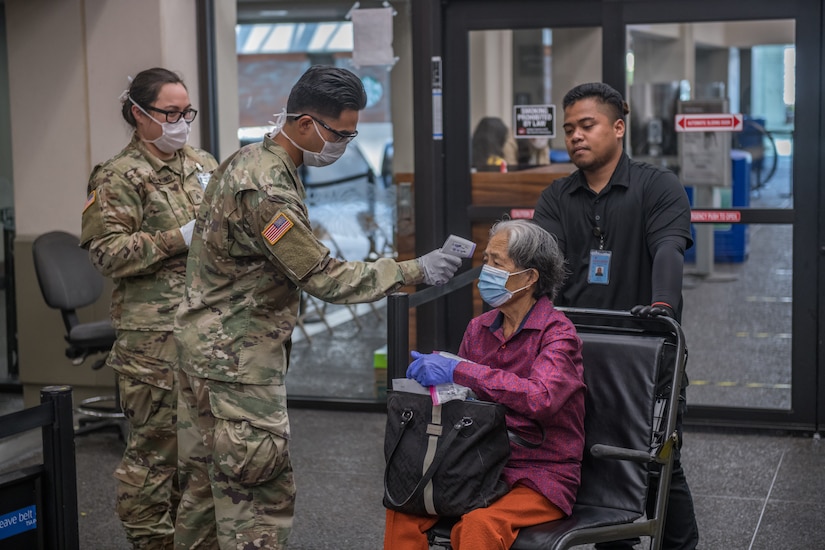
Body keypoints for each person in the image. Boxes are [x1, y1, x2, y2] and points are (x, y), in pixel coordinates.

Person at [172, 65, 462, 549]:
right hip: (237, 364)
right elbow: (322, 277)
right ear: (306, 123)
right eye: (341, 135)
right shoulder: (268, 189)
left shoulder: (248, 160)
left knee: (205, 496)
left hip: (206, 355)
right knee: (256, 501)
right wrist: (414, 270)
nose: (344, 146)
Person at [532, 81, 699, 549]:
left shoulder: (657, 186)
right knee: (593, 461)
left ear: (618, 127)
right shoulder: (556, 197)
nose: (575, 137)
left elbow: (668, 250)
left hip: (645, 354)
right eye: (568, 129)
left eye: (587, 125)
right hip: (573, 353)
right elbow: (540, 265)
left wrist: (663, 304)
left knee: (653, 463)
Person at [80, 67, 218, 549]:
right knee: (154, 462)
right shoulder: (119, 175)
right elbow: (106, 254)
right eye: (170, 113)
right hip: (152, 345)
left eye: (187, 112)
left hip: (204, 334)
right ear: (139, 114)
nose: (182, 122)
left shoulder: (201, 162)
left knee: (199, 459)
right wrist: (174, 238)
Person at [384, 219, 586, 550]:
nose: (485, 271)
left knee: (479, 526)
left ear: (530, 277)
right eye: (486, 260)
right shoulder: (479, 328)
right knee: (403, 508)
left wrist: (460, 370)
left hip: (539, 473)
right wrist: (431, 387)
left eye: (497, 263)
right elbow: (462, 404)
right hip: (475, 463)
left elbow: (541, 398)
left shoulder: (557, 334)